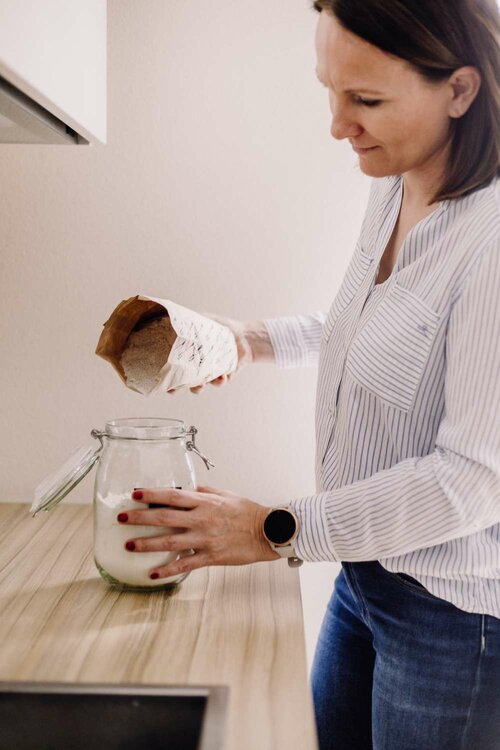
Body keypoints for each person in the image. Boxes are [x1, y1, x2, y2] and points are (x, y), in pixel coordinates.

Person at [117, 1, 500, 747]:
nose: (337, 125)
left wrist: (273, 529)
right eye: (331, 90)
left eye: (366, 100)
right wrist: (244, 340)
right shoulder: (395, 178)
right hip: (362, 576)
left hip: (454, 623)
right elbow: (371, 333)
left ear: (460, 90)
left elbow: (473, 479)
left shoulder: (492, 244)